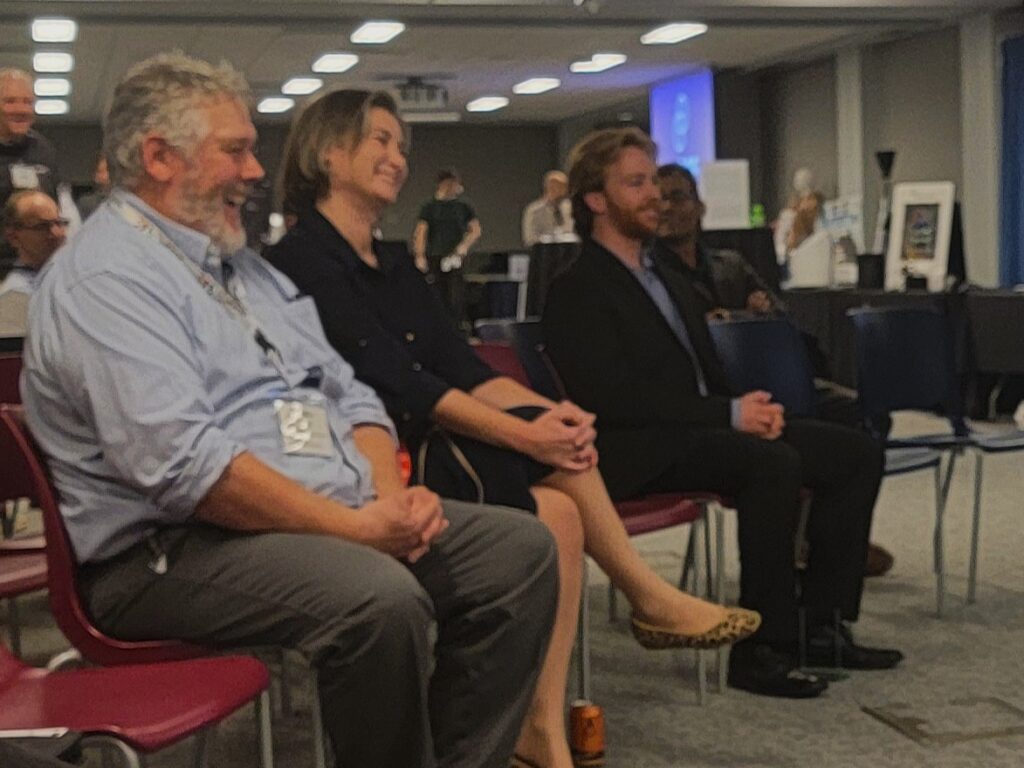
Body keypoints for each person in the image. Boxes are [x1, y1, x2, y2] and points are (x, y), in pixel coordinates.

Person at [21, 52, 560, 768]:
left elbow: (352, 392)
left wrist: (389, 505)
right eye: (236, 150)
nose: (255, 171)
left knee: (518, 552)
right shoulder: (105, 276)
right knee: (379, 598)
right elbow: (186, 469)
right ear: (158, 157)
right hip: (168, 551)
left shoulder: (241, 266)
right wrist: (359, 531)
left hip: (323, 512)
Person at [266, 89, 759, 768]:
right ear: (328, 153)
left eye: (401, 144)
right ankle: (646, 596)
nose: (397, 156)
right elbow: (399, 384)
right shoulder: (300, 262)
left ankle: (541, 725)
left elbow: (459, 366)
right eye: (379, 140)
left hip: (437, 439)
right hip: (373, 459)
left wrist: (544, 412)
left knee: (558, 509)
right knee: (544, 456)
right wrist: (527, 434)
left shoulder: (395, 262)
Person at [542, 127, 904, 700]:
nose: (654, 196)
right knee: (769, 464)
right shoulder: (577, 289)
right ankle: (764, 648)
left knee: (854, 453)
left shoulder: (667, 278)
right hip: (631, 448)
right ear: (595, 200)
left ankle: (823, 625)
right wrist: (729, 415)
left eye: (654, 182)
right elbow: (614, 399)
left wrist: (748, 409)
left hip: (697, 429)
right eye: (635, 184)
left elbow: (704, 374)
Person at [656, 164, 895, 577]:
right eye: (658, 199)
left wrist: (755, 313)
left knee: (860, 413)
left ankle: (828, 535)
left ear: (699, 207)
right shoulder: (653, 275)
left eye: (677, 197)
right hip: (719, 395)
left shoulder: (729, 263)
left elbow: (782, 317)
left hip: (767, 375)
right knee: (787, 437)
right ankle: (813, 538)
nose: (666, 208)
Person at [0, 69, 61, 264]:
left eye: (28, 102)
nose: (21, 110)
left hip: (37, 267)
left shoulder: (44, 150)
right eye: (10, 101)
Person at [412, 168, 480, 320]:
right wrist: (420, 256)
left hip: (455, 257)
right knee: (437, 295)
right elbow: (421, 232)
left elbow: (475, 230)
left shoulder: (463, 207)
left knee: (456, 296)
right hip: (435, 256)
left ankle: (457, 326)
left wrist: (464, 246)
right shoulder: (430, 207)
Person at [0, 189, 67, 296]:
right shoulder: (15, 295)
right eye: (42, 226)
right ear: (14, 237)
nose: (57, 233)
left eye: (59, 223)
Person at [522, 170, 575, 246]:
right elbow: (530, 239)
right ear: (549, 187)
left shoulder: (571, 208)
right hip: (544, 253)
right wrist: (552, 240)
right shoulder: (534, 210)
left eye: (565, 187)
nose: (564, 191)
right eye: (559, 187)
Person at [75, 155, 111, 220]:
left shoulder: (124, 198)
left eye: (108, 170)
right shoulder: (86, 202)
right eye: (101, 171)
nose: (107, 175)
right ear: (95, 176)